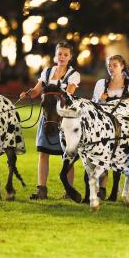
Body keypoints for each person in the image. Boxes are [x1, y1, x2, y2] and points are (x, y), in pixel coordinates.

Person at [20, 42, 80, 200]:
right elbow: (36, 91)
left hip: (64, 119)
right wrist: (27, 94)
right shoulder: (47, 72)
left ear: (70, 57)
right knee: (43, 153)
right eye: (59, 53)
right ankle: (42, 189)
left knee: (67, 155)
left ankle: (69, 190)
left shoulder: (73, 75)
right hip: (47, 117)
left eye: (65, 55)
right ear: (55, 55)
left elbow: (69, 95)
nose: (62, 57)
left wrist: (54, 91)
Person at [92, 54, 129, 198]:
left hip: (125, 125)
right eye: (109, 65)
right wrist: (99, 99)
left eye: (114, 65)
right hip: (106, 124)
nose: (111, 68)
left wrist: (128, 101)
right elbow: (94, 107)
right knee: (101, 150)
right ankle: (102, 188)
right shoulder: (101, 84)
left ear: (122, 66)